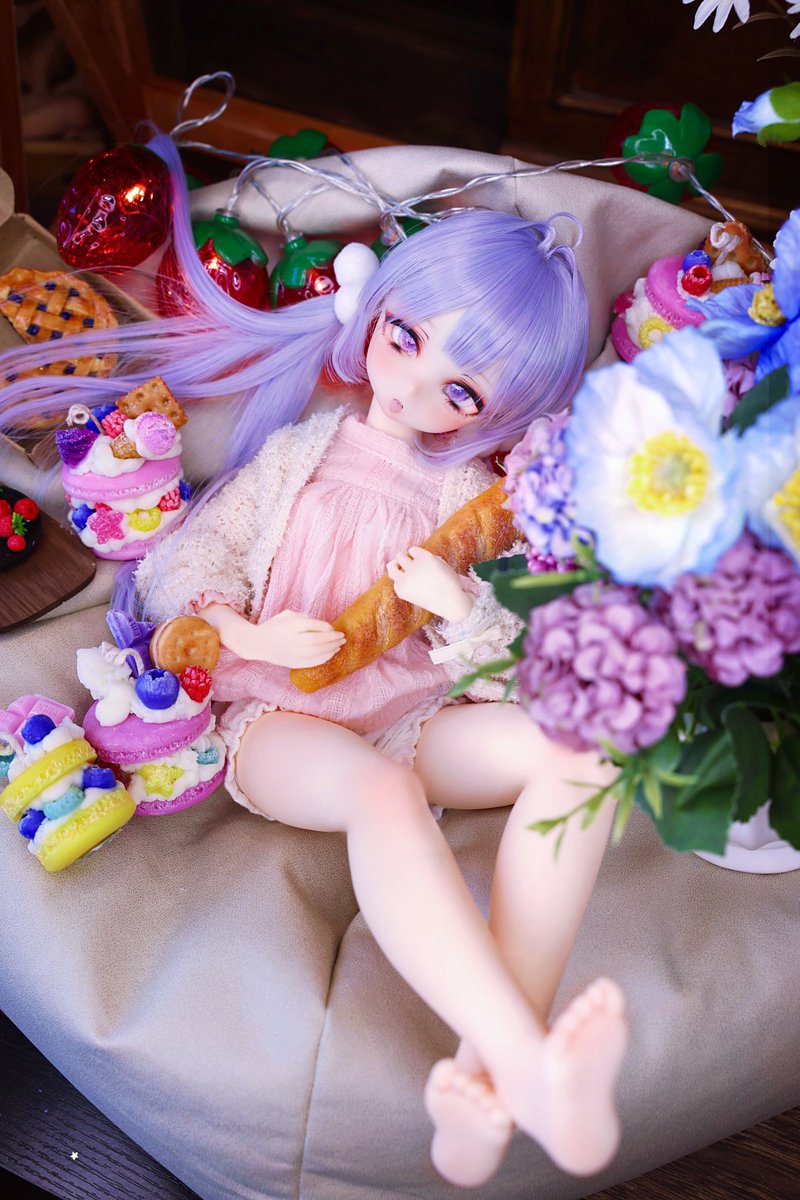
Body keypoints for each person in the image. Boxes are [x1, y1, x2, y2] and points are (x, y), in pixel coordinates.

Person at [0, 135, 627, 1186]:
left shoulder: (468, 503)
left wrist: (462, 610)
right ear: (374, 313)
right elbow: (185, 564)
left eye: (462, 391)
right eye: (406, 337)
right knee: (381, 796)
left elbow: (511, 668)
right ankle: (526, 1064)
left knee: (585, 754)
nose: (415, 386)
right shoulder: (297, 452)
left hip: (413, 715)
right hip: (276, 718)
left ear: (501, 416)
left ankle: (493, 1070)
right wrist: (247, 634)